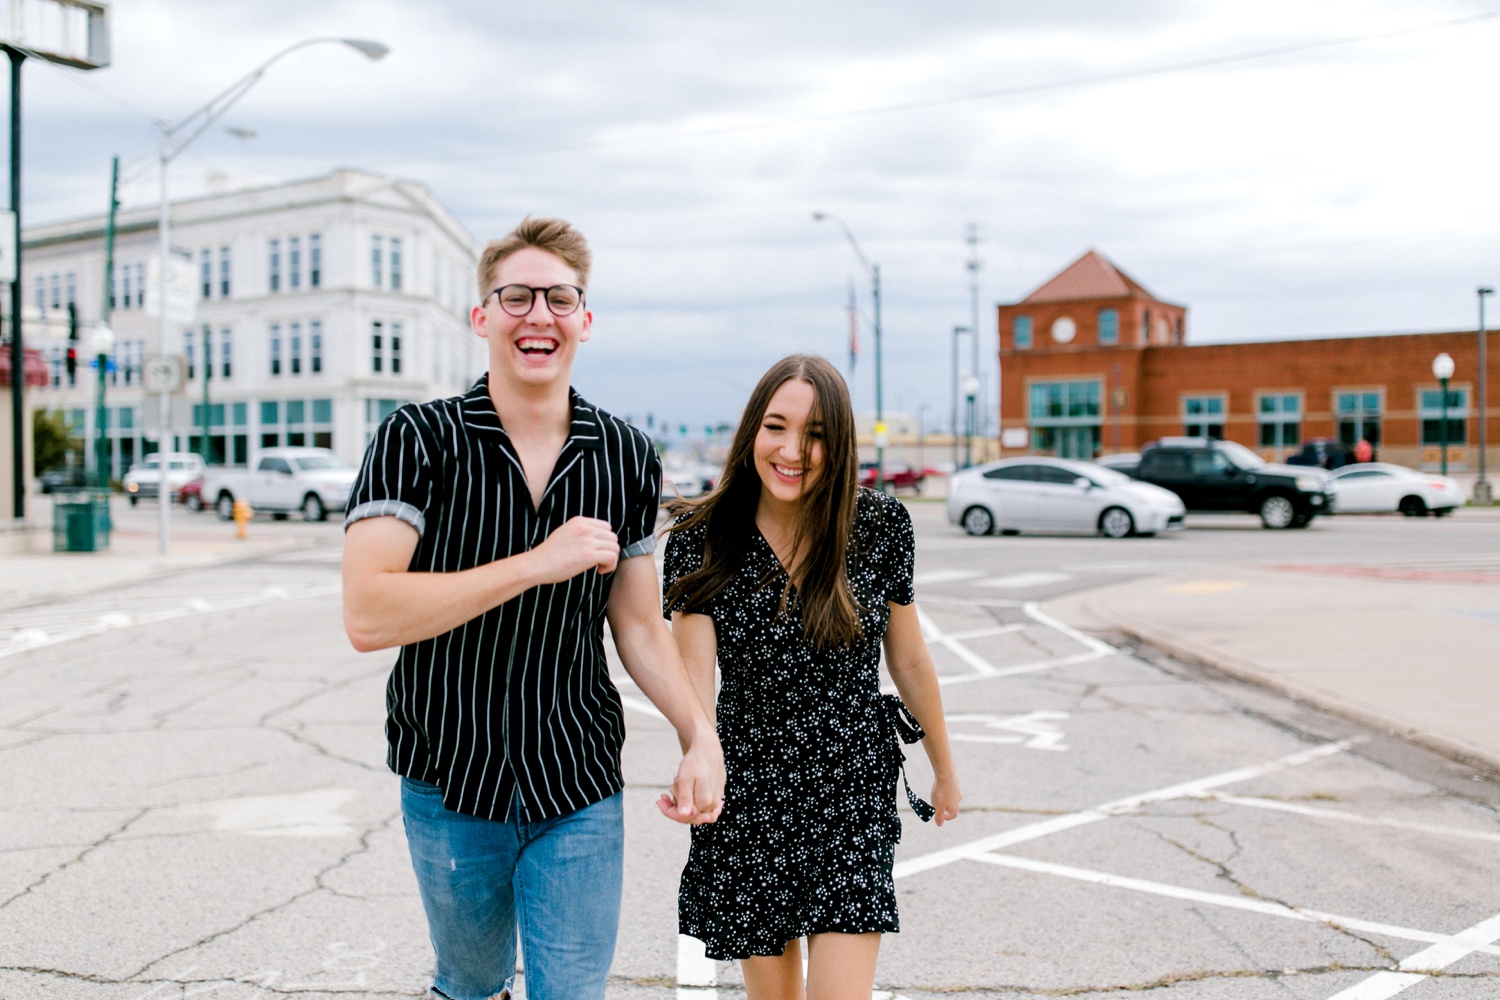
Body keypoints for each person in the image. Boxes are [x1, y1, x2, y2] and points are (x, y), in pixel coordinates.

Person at [341, 217, 725, 1000]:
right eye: (516, 297)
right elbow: (368, 614)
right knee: (472, 983)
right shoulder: (417, 439)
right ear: (482, 317)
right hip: (450, 777)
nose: (538, 315)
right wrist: (533, 565)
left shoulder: (625, 454)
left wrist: (700, 734)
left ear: (585, 319)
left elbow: (639, 626)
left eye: (559, 298)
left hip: (576, 780)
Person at [662, 354, 961, 999]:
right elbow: (694, 681)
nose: (792, 450)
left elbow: (909, 659)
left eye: (816, 434)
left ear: (840, 443)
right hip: (750, 792)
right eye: (776, 426)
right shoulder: (701, 536)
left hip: (851, 788)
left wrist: (945, 767)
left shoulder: (878, 526)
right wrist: (697, 761)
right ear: (752, 431)